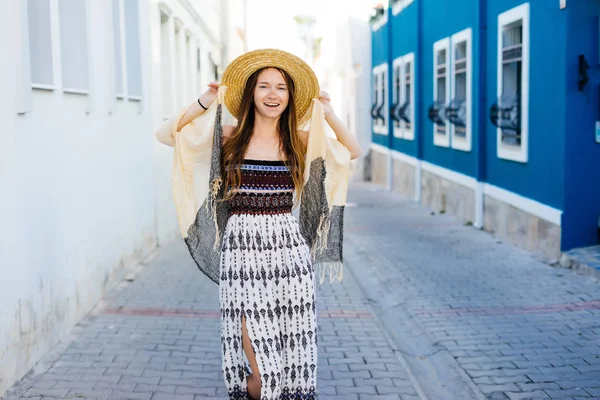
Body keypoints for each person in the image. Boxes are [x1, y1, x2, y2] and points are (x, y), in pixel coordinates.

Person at [155, 49, 361, 400]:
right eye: (264, 86)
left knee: (291, 354)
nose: (272, 94)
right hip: (242, 247)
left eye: (281, 88)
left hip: (287, 248)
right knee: (263, 365)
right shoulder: (229, 135)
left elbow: (352, 150)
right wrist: (205, 100)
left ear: (289, 96)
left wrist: (327, 114)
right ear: (251, 93)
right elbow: (166, 134)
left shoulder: (298, 138)